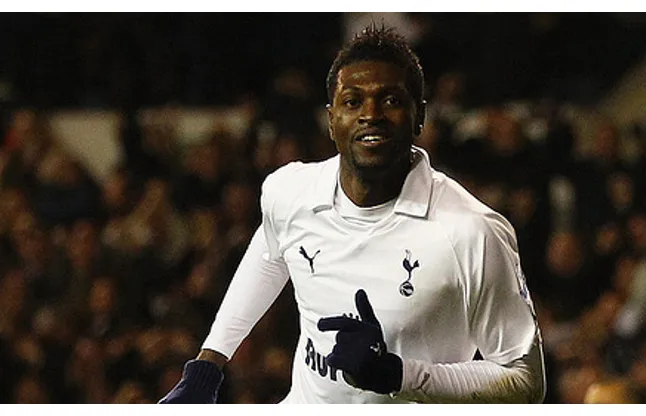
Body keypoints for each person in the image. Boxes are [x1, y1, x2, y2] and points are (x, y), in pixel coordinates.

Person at [159, 24, 545, 404]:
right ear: (331, 120)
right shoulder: (289, 191)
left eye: (390, 100)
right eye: (353, 101)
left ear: (419, 116)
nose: (370, 114)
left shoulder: (472, 232)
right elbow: (269, 255)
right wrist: (208, 364)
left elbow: (525, 380)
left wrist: (398, 374)